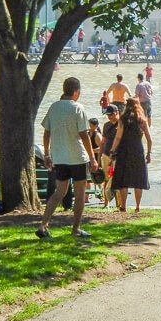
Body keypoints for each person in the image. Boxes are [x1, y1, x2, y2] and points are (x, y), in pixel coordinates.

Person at [36, 77, 99, 238]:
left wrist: (47, 154)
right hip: (77, 157)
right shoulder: (78, 107)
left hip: (59, 157)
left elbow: (46, 132)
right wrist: (92, 158)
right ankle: (75, 229)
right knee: (79, 194)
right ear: (76, 92)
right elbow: (84, 135)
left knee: (59, 192)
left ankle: (43, 225)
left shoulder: (54, 107)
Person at [110, 97, 152, 212]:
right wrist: (148, 153)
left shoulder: (123, 119)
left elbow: (118, 137)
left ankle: (123, 205)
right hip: (138, 151)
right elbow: (149, 139)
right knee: (138, 179)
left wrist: (112, 151)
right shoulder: (142, 119)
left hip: (124, 150)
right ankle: (138, 206)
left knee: (124, 179)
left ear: (125, 106)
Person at [99, 105, 120, 207]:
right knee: (106, 179)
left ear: (117, 112)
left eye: (111, 114)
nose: (109, 117)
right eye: (107, 115)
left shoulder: (121, 124)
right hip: (106, 155)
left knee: (117, 180)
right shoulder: (106, 125)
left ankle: (119, 204)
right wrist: (99, 158)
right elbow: (102, 142)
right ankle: (106, 204)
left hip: (117, 156)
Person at [86, 118, 104, 198]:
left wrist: (91, 151)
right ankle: (86, 197)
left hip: (96, 158)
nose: (89, 127)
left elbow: (101, 148)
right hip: (88, 158)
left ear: (95, 126)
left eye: (90, 125)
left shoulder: (97, 135)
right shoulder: (87, 133)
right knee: (88, 178)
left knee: (98, 178)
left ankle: (101, 196)